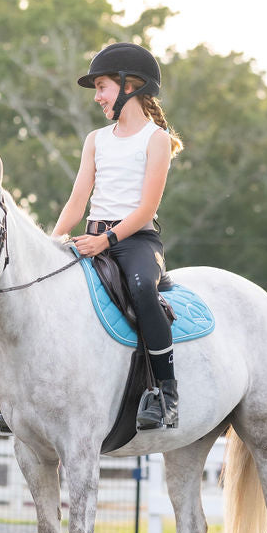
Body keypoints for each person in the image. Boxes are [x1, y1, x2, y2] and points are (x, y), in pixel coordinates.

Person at [52, 42, 183, 429]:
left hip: (135, 242)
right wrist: (54, 241)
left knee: (143, 289)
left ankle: (166, 393)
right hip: (91, 238)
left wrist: (106, 242)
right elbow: (77, 202)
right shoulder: (96, 139)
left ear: (131, 86)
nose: (97, 98)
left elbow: (145, 208)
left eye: (102, 87)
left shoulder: (156, 139)